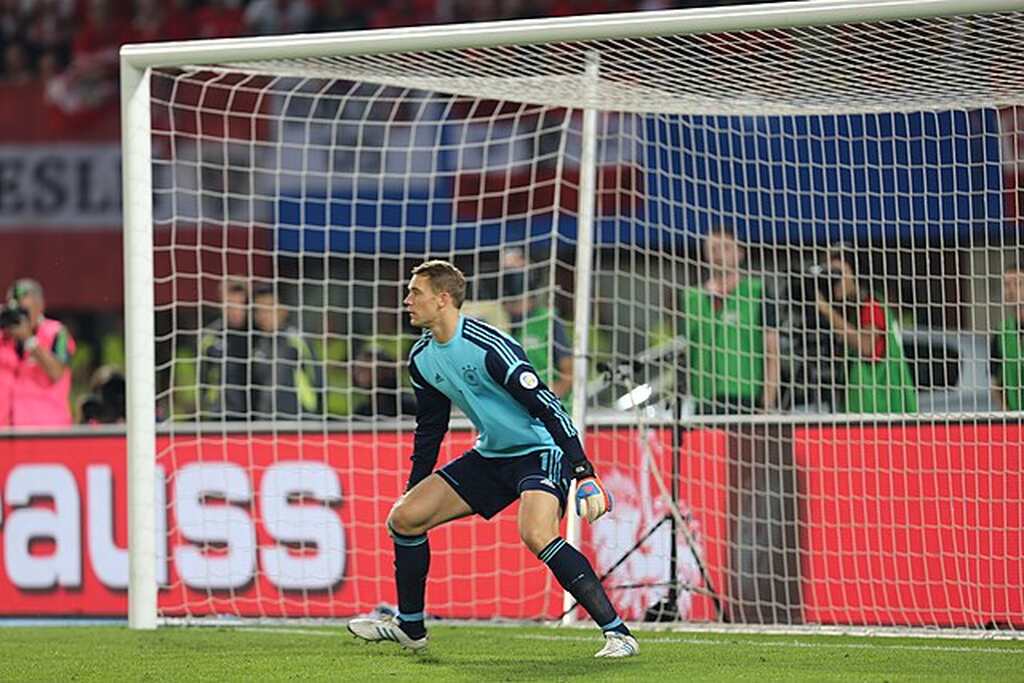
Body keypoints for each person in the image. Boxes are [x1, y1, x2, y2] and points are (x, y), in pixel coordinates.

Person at [347, 260, 638, 658]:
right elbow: (431, 427)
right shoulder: (422, 358)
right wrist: (416, 486)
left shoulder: (488, 345)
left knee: (536, 533)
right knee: (404, 517)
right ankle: (411, 627)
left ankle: (618, 633)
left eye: (416, 292)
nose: (407, 300)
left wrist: (583, 471)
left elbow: (549, 406)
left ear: (443, 299)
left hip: (538, 450)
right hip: (492, 454)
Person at [679, 226, 780, 415]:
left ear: (740, 253)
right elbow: (683, 352)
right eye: (713, 249)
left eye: (725, 248)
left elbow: (772, 352)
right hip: (703, 400)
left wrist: (767, 405)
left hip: (746, 398)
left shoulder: (757, 291)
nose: (718, 254)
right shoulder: (690, 297)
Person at [814, 252, 918, 414]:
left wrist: (826, 310)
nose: (834, 281)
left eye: (839, 274)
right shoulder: (851, 310)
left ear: (855, 275)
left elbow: (866, 346)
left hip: (881, 406)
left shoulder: (872, 306)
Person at [0, 278, 77, 427]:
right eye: (15, 311)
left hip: (47, 431)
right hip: (5, 431)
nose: (19, 318)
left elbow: (56, 372)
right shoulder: (3, 337)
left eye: (24, 311)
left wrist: (29, 340)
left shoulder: (57, 333)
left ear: (40, 305)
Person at [500, 248, 573, 399]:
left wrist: (544, 403)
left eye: (517, 268)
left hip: (550, 410)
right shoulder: (496, 320)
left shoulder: (547, 320)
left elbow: (569, 374)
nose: (514, 275)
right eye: (507, 269)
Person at [250, 282, 324, 420]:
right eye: (259, 310)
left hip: (298, 422)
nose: (263, 315)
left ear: (283, 310)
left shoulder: (297, 341)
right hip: (265, 423)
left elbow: (318, 381)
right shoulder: (257, 345)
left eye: (269, 308)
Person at [198, 278, 251, 420]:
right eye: (230, 305)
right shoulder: (210, 336)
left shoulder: (258, 335)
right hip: (219, 414)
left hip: (254, 414)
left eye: (240, 305)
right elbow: (202, 379)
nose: (236, 311)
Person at [990, 262, 1024, 411]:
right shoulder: (1002, 332)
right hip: (1015, 417)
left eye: (1018, 284)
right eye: (1006, 284)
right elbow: (994, 379)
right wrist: (1006, 412)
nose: (1011, 290)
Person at [351, 348, 417, 418]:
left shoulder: (407, 406)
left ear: (386, 370)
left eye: (365, 368)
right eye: (358, 368)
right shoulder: (362, 411)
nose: (359, 374)